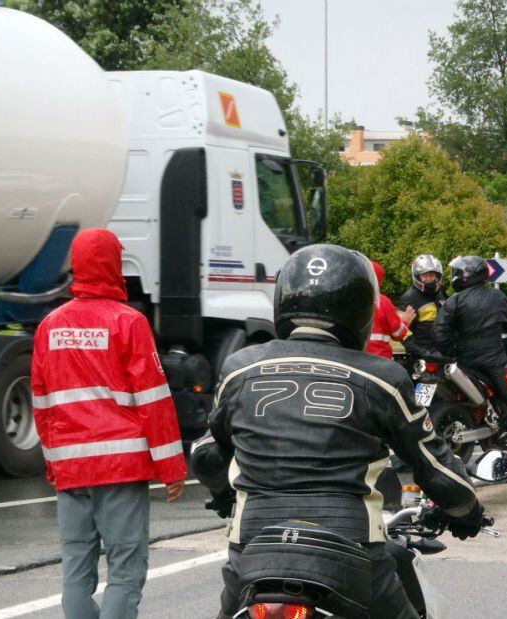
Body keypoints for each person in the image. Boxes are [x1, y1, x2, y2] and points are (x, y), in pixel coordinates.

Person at [197, 244, 485, 618]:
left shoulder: (240, 368)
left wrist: (223, 494)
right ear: (363, 309)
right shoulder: (382, 378)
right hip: (352, 550)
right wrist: (467, 510)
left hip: (252, 547)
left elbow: (205, 456)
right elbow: (435, 466)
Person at [31, 228, 186, 619]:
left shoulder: (50, 327)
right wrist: (171, 469)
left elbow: (43, 405)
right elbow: (154, 400)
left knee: (76, 573)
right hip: (120, 468)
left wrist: (55, 465)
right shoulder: (128, 322)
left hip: (71, 470)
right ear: (114, 265)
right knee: (125, 571)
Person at [434, 256, 507, 475]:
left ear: (467, 274)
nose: (455, 276)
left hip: (465, 364)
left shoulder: (454, 301)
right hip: (494, 363)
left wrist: (452, 351)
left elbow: (439, 332)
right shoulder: (496, 296)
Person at [366, 261, 416, 359]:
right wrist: (405, 321)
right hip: (380, 359)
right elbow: (397, 333)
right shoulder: (383, 302)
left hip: (357, 359)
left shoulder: (351, 301)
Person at [400, 254, 446, 359]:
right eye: (425, 276)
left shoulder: (440, 294)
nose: (429, 279)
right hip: (420, 357)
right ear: (417, 276)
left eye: (432, 275)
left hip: (442, 353)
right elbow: (403, 331)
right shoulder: (409, 298)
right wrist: (421, 352)